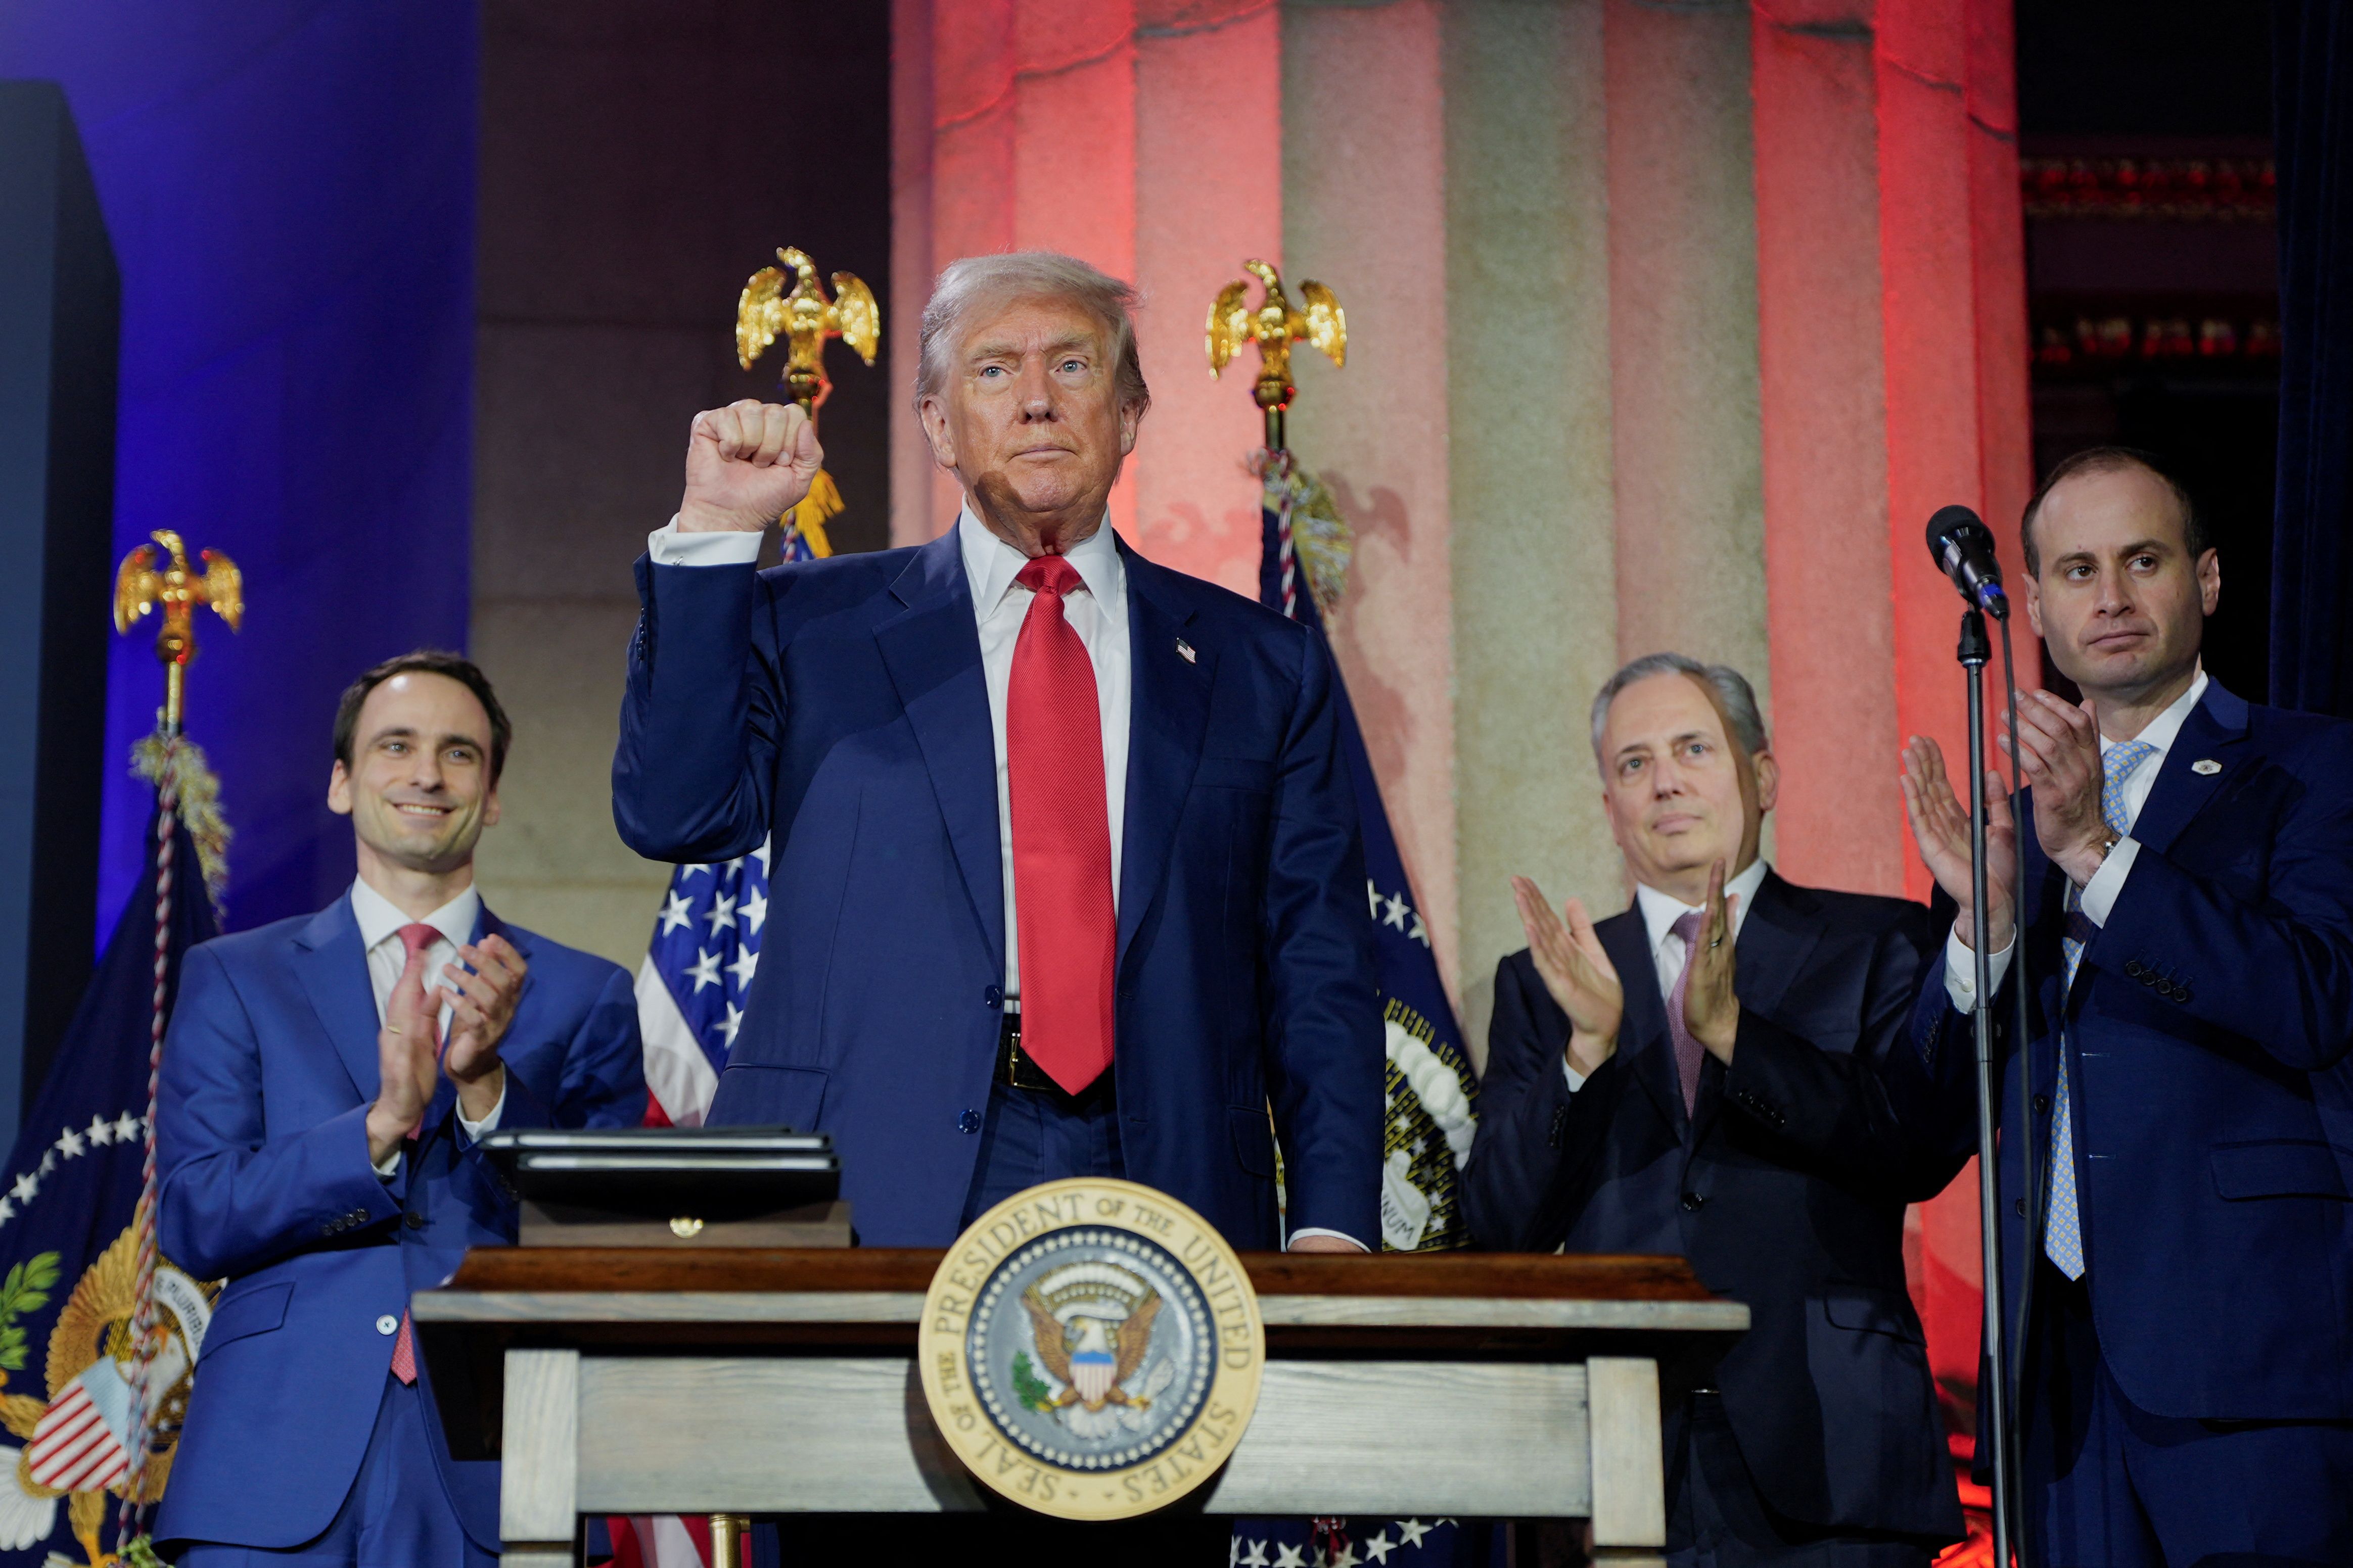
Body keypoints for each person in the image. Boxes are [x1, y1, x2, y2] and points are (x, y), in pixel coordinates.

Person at [610, 250, 1380, 1251]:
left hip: (1170, 1167)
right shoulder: (809, 627)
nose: (1036, 400)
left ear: (1130, 415)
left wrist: (1331, 1226)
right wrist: (715, 529)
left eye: (1073, 366)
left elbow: (1319, 966)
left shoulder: (1261, 666)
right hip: (864, 1165)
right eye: (993, 370)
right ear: (938, 425)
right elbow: (675, 812)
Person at [1896, 447, 2353, 1567]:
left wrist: (2100, 854)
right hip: (2055, 1379)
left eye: (2142, 561)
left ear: (2206, 579)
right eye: (2077, 570)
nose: (2109, 597)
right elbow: (1922, 1128)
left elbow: (2314, 998)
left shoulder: (2313, 766)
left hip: (2247, 1363)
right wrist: (1981, 934)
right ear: (2035, 607)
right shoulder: (2010, 831)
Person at [1465, 652, 1962, 1567]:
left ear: (1762, 777)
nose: (1665, 781)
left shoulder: (1878, 941)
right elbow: (1499, 1225)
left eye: (1694, 749)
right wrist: (1584, 1054)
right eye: (1635, 763)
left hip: (1832, 1452)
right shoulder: (1548, 984)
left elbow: (1913, 1145)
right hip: (1618, 1462)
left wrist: (1735, 1034)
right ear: (1609, 805)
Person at [156, 652, 646, 1566]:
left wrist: (488, 1090)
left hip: (496, 1458)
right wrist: (377, 1128)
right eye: (396, 746)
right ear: (342, 783)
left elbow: (602, 1241)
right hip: (272, 1456)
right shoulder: (236, 977)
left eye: (460, 754)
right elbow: (195, 1215)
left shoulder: (585, 994)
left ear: (490, 797)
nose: (427, 774)